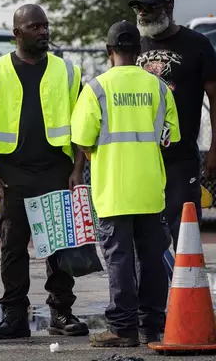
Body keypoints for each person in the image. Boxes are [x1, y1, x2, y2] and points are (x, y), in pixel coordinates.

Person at [0, 3, 89, 340]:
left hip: (56, 170)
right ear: (17, 33)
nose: (44, 32)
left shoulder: (67, 71)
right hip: (12, 173)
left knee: (60, 246)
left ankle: (61, 313)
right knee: (12, 247)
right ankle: (14, 316)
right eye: (36, 27)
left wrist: (77, 170)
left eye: (46, 26)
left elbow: (81, 126)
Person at [71, 20, 180, 347]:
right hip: (149, 190)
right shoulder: (159, 87)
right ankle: (152, 327)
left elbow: (82, 138)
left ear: (109, 52)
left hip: (113, 191)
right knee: (151, 260)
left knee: (119, 261)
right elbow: (169, 137)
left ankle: (123, 329)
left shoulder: (96, 89)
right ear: (139, 52)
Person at [129, 0, 216, 251]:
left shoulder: (197, 44)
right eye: (139, 8)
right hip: (142, 156)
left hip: (180, 156)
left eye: (148, 7)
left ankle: (188, 288)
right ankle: (154, 291)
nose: (142, 13)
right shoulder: (135, 45)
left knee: (184, 228)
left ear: (168, 8)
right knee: (146, 232)